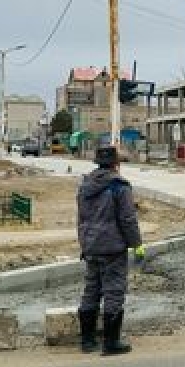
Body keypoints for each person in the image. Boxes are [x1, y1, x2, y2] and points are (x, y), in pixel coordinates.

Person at [76, 145, 145, 355]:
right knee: (114, 291)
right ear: (116, 164)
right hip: (112, 247)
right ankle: (111, 342)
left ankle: (87, 341)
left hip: (91, 246)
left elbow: (81, 219)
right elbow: (127, 219)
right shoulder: (119, 186)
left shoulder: (85, 185)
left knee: (91, 290)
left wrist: (85, 243)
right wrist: (136, 244)